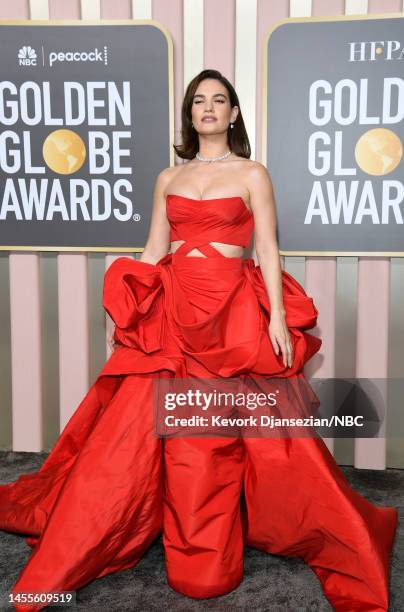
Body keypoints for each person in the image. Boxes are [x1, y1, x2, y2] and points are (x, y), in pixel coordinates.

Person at [0, 69, 398, 612]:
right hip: (174, 309)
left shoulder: (254, 173)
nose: (208, 108)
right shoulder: (168, 177)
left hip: (231, 312)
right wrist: (129, 307)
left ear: (233, 114)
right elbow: (153, 248)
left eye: (219, 100)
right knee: (135, 437)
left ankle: (221, 546)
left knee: (229, 436)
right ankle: (136, 526)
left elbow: (268, 250)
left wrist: (278, 317)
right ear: (190, 114)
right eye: (199, 101)